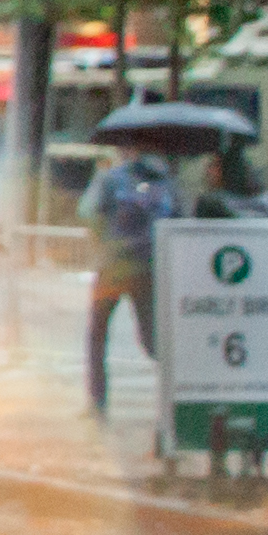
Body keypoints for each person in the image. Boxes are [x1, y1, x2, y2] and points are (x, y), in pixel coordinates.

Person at [83, 139, 175, 417]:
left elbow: (88, 212)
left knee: (98, 334)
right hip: (148, 268)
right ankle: (176, 395)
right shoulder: (167, 182)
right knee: (152, 338)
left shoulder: (112, 179)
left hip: (113, 268)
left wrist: (103, 245)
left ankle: (98, 401)